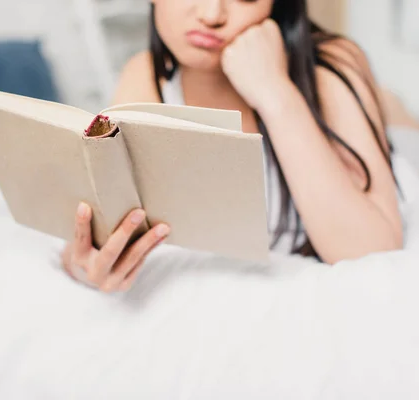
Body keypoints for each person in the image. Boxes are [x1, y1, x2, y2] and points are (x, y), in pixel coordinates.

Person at [62, 0, 414, 292]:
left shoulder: (334, 65)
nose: (212, 14)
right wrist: (85, 263)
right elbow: (104, 230)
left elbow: (372, 252)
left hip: (384, 145)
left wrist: (274, 92)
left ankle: (391, 107)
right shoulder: (144, 76)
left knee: (403, 129)